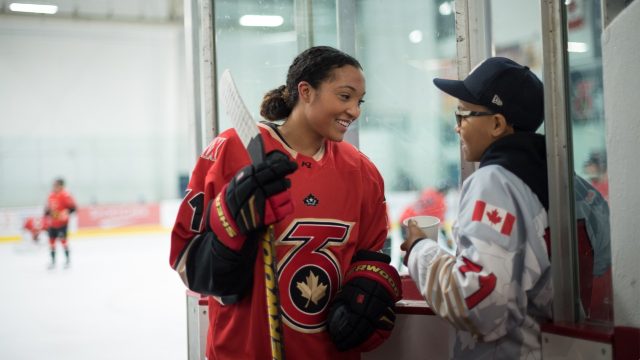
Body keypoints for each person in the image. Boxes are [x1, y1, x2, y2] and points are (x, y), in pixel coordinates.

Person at [170, 46, 401, 359]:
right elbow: (187, 261)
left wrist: (368, 287)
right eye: (344, 97)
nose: (355, 112)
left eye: (359, 101)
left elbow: (371, 252)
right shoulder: (231, 150)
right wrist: (230, 225)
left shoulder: (362, 171)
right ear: (305, 91)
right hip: (243, 350)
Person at [401, 57, 553, 359]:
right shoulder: (560, 178)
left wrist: (420, 249)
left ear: (497, 124)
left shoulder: (494, 183)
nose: (456, 128)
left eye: (462, 116)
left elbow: (477, 304)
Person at [45, 178, 77, 269]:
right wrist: (48, 213)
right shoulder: (51, 195)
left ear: (61, 186)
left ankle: (67, 261)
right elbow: (48, 209)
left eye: (56, 185)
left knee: (64, 242)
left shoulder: (66, 195)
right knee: (51, 243)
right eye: (54, 185)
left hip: (62, 224)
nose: (54, 187)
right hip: (52, 224)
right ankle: (53, 262)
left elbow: (73, 208)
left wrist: (66, 212)